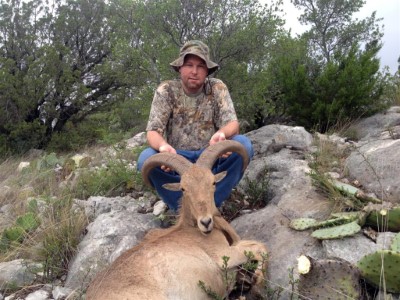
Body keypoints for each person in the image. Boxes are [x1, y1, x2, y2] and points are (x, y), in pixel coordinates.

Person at [137, 40, 253, 211]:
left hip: (210, 158)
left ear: (207, 70)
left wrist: (222, 135)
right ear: (179, 68)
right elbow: (153, 131)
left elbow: (232, 124)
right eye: (189, 64)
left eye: (200, 66)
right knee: (146, 158)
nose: (194, 71)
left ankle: (211, 204)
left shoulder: (216, 87)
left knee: (242, 144)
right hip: (178, 161)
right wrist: (163, 147)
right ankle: (182, 208)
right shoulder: (166, 90)